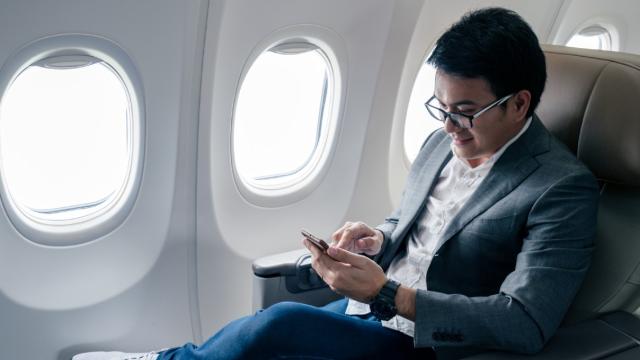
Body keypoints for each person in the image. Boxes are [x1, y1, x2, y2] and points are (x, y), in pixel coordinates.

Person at [74, 6, 598, 360]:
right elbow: (418, 228)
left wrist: (391, 293)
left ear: (520, 103)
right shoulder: (445, 143)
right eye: (441, 106)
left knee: (278, 324)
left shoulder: (560, 188)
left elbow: (524, 322)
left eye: (465, 111)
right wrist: (379, 239)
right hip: (371, 313)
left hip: (427, 344)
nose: (447, 125)